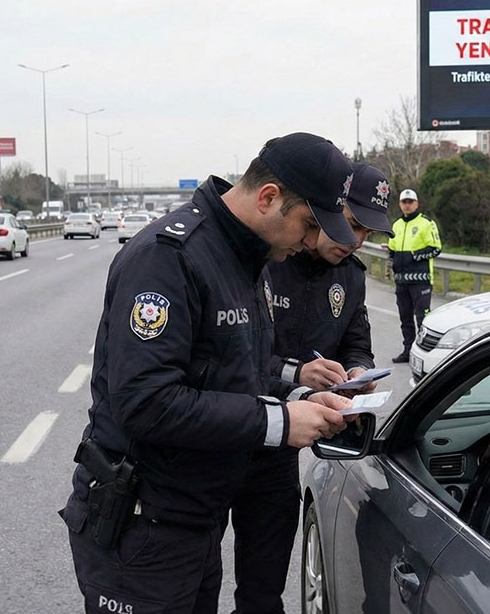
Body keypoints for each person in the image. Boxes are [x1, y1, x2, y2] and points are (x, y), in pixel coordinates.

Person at [62, 132, 361, 614]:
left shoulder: (245, 259)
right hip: (143, 526)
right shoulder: (169, 257)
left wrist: (299, 398)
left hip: (193, 519)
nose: (310, 242)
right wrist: (279, 423)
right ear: (268, 198)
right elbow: (145, 402)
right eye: (308, 224)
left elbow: (239, 371)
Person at [226, 162, 395, 614]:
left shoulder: (352, 277)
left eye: (367, 234)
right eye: (352, 226)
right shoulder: (266, 259)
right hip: (223, 432)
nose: (356, 241)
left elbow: (359, 344)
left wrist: (355, 377)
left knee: (263, 591)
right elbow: (230, 357)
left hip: (281, 451)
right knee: (189, 582)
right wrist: (296, 374)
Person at [386, 188, 442, 363]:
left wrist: (413, 256)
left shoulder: (426, 223)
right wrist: (394, 263)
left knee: (422, 317)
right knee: (405, 318)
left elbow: (435, 248)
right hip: (401, 281)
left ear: (416, 203)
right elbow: (392, 250)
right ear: (400, 204)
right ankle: (408, 350)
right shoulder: (396, 225)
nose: (407, 205)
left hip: (421, 281)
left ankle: (424, 352)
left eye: (410, 202)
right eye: (404, 202)